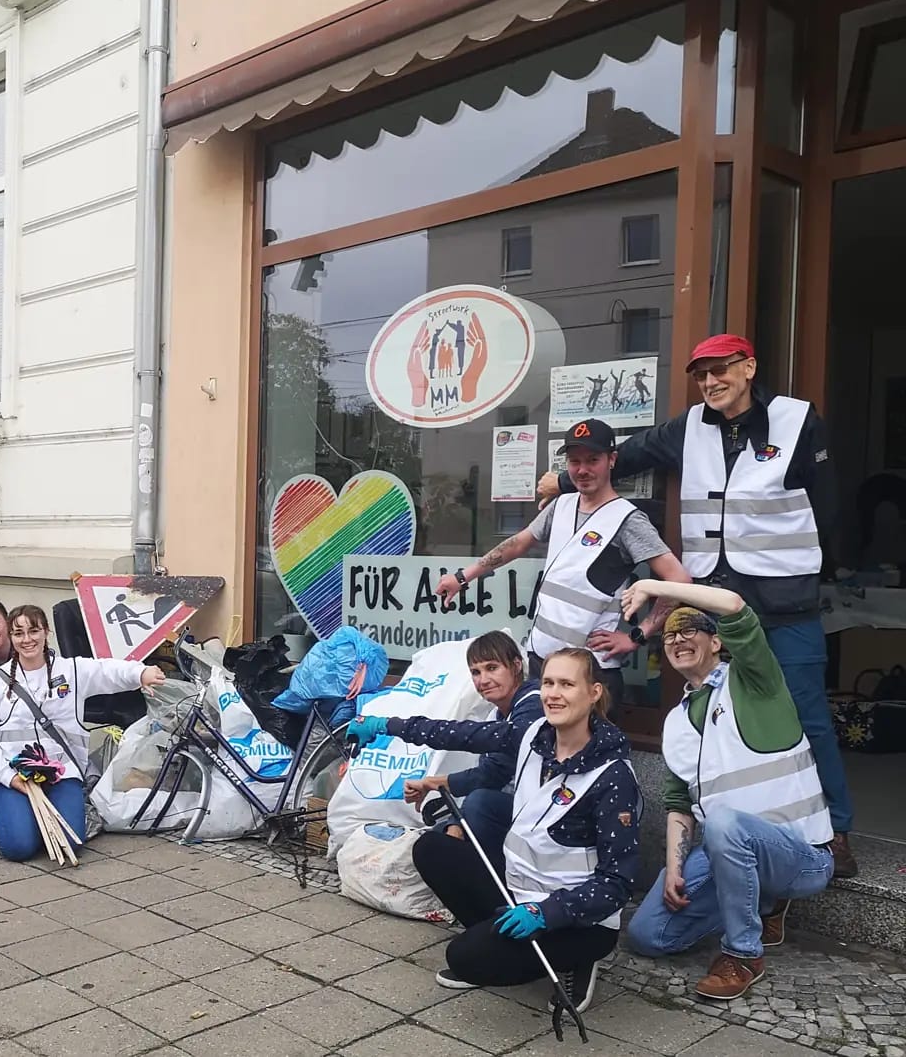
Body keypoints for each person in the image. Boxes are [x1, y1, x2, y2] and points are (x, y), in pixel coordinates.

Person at [536, 334, 856, 876]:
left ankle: (835, 831)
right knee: (715, 714)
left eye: (721, 369)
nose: (710, 382)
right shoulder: (689, 428)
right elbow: (627, 454)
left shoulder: (797, 421)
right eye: (702, 374)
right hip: (713, 603)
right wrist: (567, 479)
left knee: (808, 716)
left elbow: (827, 506)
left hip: (785, 601)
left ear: (749, 368)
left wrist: (828, 568)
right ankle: (729, 826)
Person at [347, 648, 639, 1014]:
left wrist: (547, 913)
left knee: (464, 957)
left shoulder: (612, 777)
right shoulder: (533, 736)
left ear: (594, 692)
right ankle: (502, 943)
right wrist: (385, 725)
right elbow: (460, 734)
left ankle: (575, 960)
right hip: (521, 892)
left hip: (579, 919)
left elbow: (617, 883)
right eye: (548, 683)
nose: (553, 694)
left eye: (567, 684)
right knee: (431, 848)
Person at [621, 578, 836, 1000]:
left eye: (689, 630)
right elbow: (678, 804)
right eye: (669, 636)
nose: (677, 639)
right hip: (729, 851)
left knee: (723, 824)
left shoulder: (754, 680)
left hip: (803, 855)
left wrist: (651, 584)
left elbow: (734, 605)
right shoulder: (675, 722)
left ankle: (743, 954)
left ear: (717, 642)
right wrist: (674, 869)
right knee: (648, 935)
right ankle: (760, 903)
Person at [437, 419, 690, 706]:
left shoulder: (627, 520)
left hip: (588, 673)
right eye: (574, 461)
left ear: (612, 460)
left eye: (592, 460)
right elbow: (518, 543)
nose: (582, 470)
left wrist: (636, 636)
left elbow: (679, 581)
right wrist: (463, 577)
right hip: (542, 661)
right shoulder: (561, 505)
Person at [0, 604, 166, 861]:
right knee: (18, 848)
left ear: (46, 632)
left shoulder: (71, 670)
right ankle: (24, 819)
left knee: (70, 843)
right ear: (11, 637)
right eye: (18, 633)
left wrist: (141, 672)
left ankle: (40, 819)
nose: (27, 639)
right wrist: (7, 777)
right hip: (16, 775)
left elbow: (107, 670)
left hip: (61, 773)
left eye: (34, 631)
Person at [405, 630, 542, 876]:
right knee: (433, 843)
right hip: (516, 809)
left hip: (546, 815)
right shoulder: (496, 713)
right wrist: (455, 822)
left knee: (480, 804)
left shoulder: (533, 704)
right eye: (476, 672)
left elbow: (494, 774)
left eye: (492, 668)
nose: (483, 680)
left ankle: (503, 884)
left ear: (516, 665)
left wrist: (432, 783)